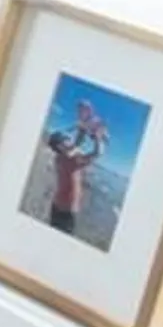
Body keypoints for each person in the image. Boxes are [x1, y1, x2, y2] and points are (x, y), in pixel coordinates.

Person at [40, 98, 108, 233]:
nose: (70, 139)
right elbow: (97, 153)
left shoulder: (60, 158)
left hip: (58, 206)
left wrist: (83, 127)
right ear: (60, 146)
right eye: (66, 139)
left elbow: (76, 144)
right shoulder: (71, 160)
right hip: (66, 211)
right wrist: (98, 137)